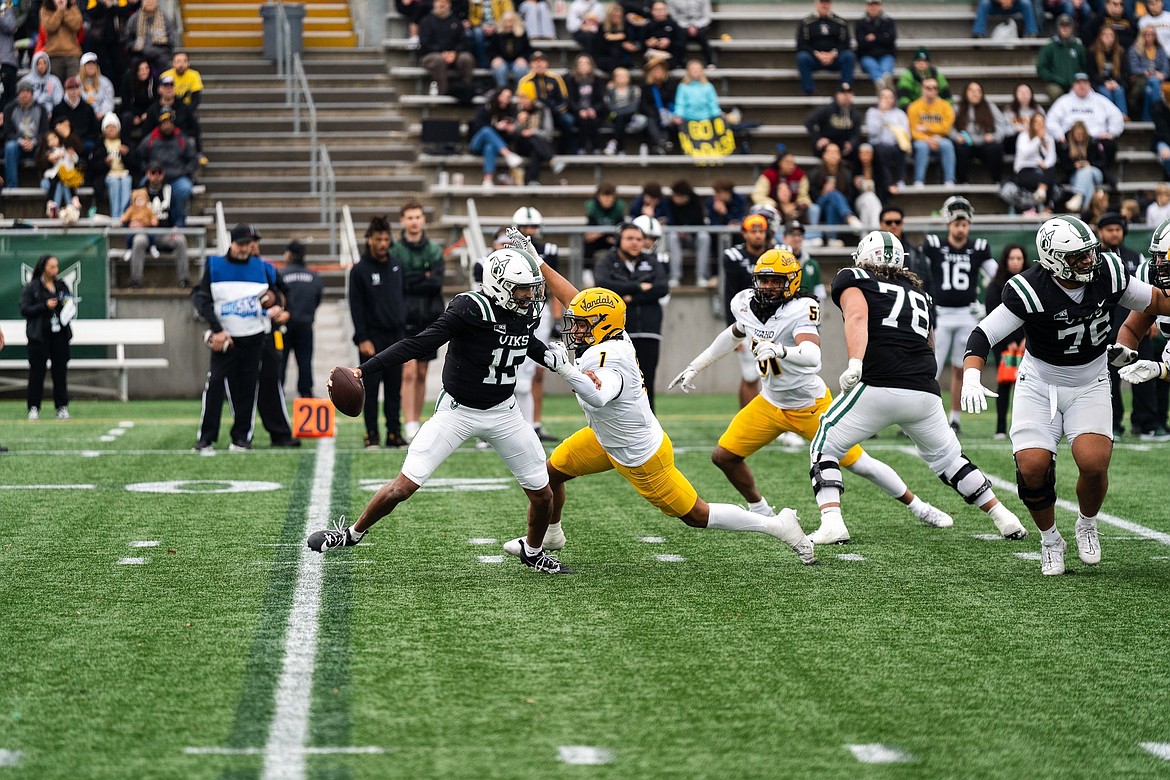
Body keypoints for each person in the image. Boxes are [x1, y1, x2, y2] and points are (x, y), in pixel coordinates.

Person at [504, 270, 815, 565]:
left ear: (600, 325)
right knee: (551, 474)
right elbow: (575, 300)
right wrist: (538, 262)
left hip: (639, 455)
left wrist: (565, 369)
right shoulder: (612, 333)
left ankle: (777, 525)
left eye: (582, 324)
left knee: (696, 515)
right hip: (605, 438)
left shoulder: (610, 356)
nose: (575, 329)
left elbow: (598, 395)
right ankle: (551, 535)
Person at [307, 247, 573, 576]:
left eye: (531, 289)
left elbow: (524, 339)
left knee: (543, 494)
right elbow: (418, 343)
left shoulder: (523, 312)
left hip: (505, 412)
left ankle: (533, 552)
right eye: (522, 289)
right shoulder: (469, 309)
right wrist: (364, 369)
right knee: (401, 488)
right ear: (499, 286)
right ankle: (351, 534)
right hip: (457, 411)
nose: (529, 297)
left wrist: (553, 360)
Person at [672, 247, 956, 537]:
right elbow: (735, 333)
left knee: (862, 465)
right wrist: (697, 365)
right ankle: (761, 510)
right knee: (724, 456)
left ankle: (918, 506)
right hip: (770, 402)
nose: (768, 286)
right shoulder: (745, 303)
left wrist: (781, 349)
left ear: (792, 281)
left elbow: (812, 356)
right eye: (764, 280)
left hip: (810, 404)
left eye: (776, 281)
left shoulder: (801, 308)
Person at [961, 214, 1170, 575]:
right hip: (1039, 382)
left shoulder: (1108, 271)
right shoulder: (1028, 289)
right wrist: (970, 375)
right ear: (1054, 259)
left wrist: (1124, 344)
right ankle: (1050, 539)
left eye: (1090, 253)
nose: (1089, 261)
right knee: (1032, 466)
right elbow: (984, 334)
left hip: (1090, 380)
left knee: (1093, 463)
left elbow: (1153, 301)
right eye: (1078, 257)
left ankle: (1086, 523)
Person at [810, 231, 1027, 545]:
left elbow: (857, 315)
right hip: (924, 389)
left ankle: (832, 521)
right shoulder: (919, 292)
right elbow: (931, 342)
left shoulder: (854, 277)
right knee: (951, 460)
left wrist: (856, 362)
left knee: (823, 446)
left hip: (878, 383)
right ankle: (1003, 516)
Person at [190, 225, 275, 451]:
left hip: (253, 336)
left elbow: (276, 296)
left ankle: (241, 437)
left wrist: (274, 304)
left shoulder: (262, 267)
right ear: (232, 243)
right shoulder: (215, 265)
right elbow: (202, 299)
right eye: (241, 244)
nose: (245, 249)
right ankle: (206, 437)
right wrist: (216, 329)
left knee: (248, 388)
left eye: (249, 245)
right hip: (225, 340)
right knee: (215, 385)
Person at [922, 196, 997, 433]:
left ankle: (954, 419)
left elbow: (998, 277)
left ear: (969, 225)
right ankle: (923, 418)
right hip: (941, 315)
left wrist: (986, 306)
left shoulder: (978, 248)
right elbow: (920, 273)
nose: (960, 228)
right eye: (956, 223)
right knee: (930, 368)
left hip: (966, 315)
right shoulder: (934, 245)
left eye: (964, 224)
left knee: (959, 369)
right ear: (948, 225)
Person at [595, 221, 668, 410]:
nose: (635, 243)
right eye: (630, 238)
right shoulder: (607, 262)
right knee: (615, 381)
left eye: (639, 239)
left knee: (646, 381)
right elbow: (603, 285)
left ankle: (649, 425)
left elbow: (661, 288)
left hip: (648, 331)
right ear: (619, 240)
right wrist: (638, 287)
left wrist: (628, 298)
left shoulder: (652, 262)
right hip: (616, 333)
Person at [349, 215, 407, 449]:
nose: (383, 243)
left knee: (394, 389)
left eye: (386, 239)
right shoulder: (359, 270)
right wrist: (362, 337)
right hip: (372, 339)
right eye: (378, 239)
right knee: (370, 390)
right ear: (369, 240)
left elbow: (402, 298)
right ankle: (371, 434)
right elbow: (356, 306)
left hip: (395, 338)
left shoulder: (396, 265)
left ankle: (394, 433)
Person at [393, 200, 446, 443]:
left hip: (430, 317)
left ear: (423, 219)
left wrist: (416, 278)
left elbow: (435, 282)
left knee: (423, 372)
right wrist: (419, 277)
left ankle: (417, 418)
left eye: (418, 217)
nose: (414, 222)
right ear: (403, 221)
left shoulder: (434, 250)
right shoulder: (395, 250)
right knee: (409, 372)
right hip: (404, 318)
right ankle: (409, 422)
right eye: (410, 217)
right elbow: (399, 282)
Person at [511, 206, 562, 442]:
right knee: (514, 370)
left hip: (541, 311)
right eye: (525, 227)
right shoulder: (509, 251)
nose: (529, 231)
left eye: (533, 227)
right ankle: (514, 423)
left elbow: (554, 286)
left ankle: (535, 423)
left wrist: (558, 319)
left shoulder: (549, 251)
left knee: (538, 371)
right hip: (517, 311)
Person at [1095, 212, 1146, 436]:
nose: (1115, 233)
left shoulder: (1136, 257)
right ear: (1100, 232)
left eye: (1118, 229)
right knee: (1107, 380)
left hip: (1136, 325)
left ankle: (1145, 423)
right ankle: (1112, 424)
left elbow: (1147, 290)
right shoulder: (1091, 258)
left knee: (1143, 374)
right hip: (1105, 326)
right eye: (1110, 229)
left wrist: (1149, 319)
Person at [1117, 223, 1170, 439]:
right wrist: (1123, 351)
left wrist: (1160, 369)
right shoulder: (1152, 278)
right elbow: (1131, 327)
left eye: (1164, 258)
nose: (1158, 264)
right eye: (1156, 257)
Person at [721, 214, 771, 407]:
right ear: (744, 234)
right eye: (753, 231)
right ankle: (746, 421)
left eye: (761, 231)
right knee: (750, 375)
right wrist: (733, 332)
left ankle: (781, 424)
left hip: (775, 322)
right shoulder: (734, 257)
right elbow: (730, 295)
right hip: (748, 322)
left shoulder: (775, 255)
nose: (758, 235)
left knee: (776, 376)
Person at [20, 254, 73, 421]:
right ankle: (34, 407)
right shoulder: (32, 287)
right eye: (52, 267)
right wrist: (44, 306)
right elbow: (25, 309)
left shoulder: (61, 285)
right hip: (39, 335)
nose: (55, 270)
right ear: (44, 267)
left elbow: (69, 303)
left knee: (60, 371)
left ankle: (61, 407)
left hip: (59, 335)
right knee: (37, 372)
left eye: (57, 266)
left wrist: (66, 307)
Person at [984, 244, 1030, 438]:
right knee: (1004, 383)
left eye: (1019, 258)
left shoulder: (1030, 283)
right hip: (1003, 343)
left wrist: (1026, 339)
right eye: (1012, 258)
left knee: (1028, 384)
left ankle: (1027, 427)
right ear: (1005, 260)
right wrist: (1010, 340)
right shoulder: (996, 285)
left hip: (1028, 343)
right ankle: (1001, 427)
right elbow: (992, 313)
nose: (1016, 262)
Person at [124, 162, 191, 288]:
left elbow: (181, 215)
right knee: (138, 241)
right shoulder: (138, 193)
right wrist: (132, 224)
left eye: (159, 173)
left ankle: (184, 279)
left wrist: (176, 228)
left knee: (181, 240)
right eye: (153, 173)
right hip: (143, 232)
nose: (156, 176)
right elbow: (126, 215)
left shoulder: (170, 191)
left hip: (165, 233)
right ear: (148, 174)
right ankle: (136, 280)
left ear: (163, 174)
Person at [134, 108, 197, 227]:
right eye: (164, 123)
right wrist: (147, 170)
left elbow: (193, 159)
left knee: (185, 188)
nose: (167, 126)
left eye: (169, 122)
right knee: (141, 190)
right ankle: (144, 219)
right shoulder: (150, 139)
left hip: (176, 178)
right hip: (154, 177)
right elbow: (138, 157)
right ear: (159, 124)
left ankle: (177, 221)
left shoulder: (182, 139)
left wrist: (185, 172)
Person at [279, 240, 323, 399]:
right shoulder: (313, 276)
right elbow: (317, 298)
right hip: (305, 324)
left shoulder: (281, 274)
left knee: (280, 360)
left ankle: (277, 392)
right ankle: (306, 392)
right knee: (305, 361)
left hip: (283, 326)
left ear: (289, 254)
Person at [951, 80, 1008, 185]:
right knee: (959, 149)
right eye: (971, 90)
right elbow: (949, 126)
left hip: (984, 143)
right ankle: (963, 182)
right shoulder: (958, 107)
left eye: (978, 91)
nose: (975, 93)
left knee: (996, 148)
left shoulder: (989, 106)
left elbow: (1002, 125)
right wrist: (956, 136)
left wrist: (994, 136)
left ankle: (996, 181)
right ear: (965, 93)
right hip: (966, 143)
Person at [795, 0, 855, 96]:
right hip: (814, 59)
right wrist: (817, 54)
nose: (824, 5)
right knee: (802, 57)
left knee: (849, 56)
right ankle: (809, 90)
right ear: (816, 3)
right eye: (822, 2)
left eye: (827, 2)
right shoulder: (806, 23)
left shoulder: (840, 22)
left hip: (835, 59)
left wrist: (833, 54)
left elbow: (846, 43)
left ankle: (845, 89)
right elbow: (801, 44)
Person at [418, 0, 475, 98]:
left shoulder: (456, 22)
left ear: (450, 5)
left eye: (445, 2)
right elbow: (425, 44)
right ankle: (443, 93)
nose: (442, 4)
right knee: (438, 59)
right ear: (434, 3)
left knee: (466, 58)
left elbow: (463, 42)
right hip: (430, 56)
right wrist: (442, 53)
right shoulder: (426, 21)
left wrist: (455, 53)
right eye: (439, 2)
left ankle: (466, 90)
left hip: (453, 55)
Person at [907, 76, 956, 187]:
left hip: (941, 139)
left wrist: (927, 127)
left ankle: (949, 180)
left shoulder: (945, 106)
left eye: (935, 88)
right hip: (921, 140)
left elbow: (946, 128)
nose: (932, 91)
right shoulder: (914, 107)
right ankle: (918, 180)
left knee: (947, 145)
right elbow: (913, 130)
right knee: (922, 147)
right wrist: (927, 139)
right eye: (928, 88)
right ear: (922, 89)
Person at [664, 178, 712, 286]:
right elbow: (669, 221)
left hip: (694, 238)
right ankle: (675, 276)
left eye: (678, 196)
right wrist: (678, 230)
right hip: (677, 237)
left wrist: (689, 230)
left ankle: (701, 276)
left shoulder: (695, 202)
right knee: (672, 237)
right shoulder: (669, 202)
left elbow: (700, 222)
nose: (675, 198)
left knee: (704, 237)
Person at [751, 146, 812, 225]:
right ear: (779, 162)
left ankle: (811, 232)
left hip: (794, 207)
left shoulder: (800, 175)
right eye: (787, 162)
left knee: (813, 209)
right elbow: (757, 195)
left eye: (792, 163)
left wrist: (798, 204)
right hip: (773, 207)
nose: (791, 166)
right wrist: (775, 205)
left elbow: (803, 195)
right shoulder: (768, 175)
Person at [4, 79, 47, 187]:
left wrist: (34, 142)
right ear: (17, 94)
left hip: (37, 144)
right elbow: (8, 132)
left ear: (32, 93)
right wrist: (21, 141)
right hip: (18, 144)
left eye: (27, 91)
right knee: (9, 147)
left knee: (46, 147)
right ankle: (12, 187)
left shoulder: (41, 109)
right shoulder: (9, 109)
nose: (24, 94)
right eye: (21, 91)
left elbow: (44, 131)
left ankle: (46, 185)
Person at [864, 86, 909, 189]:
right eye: (884, 97)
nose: (887, 100)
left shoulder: (900, 114)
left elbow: (905, 132)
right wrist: (882, 115)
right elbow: (872, 131)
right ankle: (886, 182)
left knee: (901, 149)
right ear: (879, 99)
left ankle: (900, 180)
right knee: (882, 150)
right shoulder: (872, 112)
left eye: (890, 97)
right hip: (878, 144)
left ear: (894, 99)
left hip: (895, 144)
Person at [1038, 14, 1089, 103]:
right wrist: (1053, 78)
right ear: (1058, 27)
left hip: (1075, 82)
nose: (1065, 29)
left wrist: (1079, 80)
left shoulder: (1078, 46)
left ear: (1072, 28)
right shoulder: (1050, 46)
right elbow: (1041, 68)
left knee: (1083, 91)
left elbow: (1085, 66)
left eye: (1068, 26)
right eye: (1062, 26)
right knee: (1056, 93)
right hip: (1054, 83)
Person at [805, 83, 862, 161]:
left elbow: (856, 134)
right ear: (837, 95)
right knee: (824, 149)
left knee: (857, 149)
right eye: (843, 93)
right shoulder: (826, 109)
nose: (846, 96)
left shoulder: (855, 114)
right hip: (827, 144)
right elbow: (809, 122)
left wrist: (851, 143)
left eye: (848, 93)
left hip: (843, 145)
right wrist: (818, 138)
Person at [878, 205, 931, 287]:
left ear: (902, 223)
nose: (893, 225)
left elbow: (927, 283)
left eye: (897, 222)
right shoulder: (871, 250)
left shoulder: (915, 253)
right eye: (889, 222)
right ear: (881, 224)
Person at [1126, 25, 1168, 121]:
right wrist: (1148, 72)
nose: (1150, 37)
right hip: (1141, 80)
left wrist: (1163, 75)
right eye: (1147, 34)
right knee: (1153, 82)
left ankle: (1147, 119)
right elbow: (1133, 68)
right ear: (1142, 35)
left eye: (1152, 34)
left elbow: (1166, 68)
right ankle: (1158, 113)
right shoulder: (1134, 49)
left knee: (1149, 91)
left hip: (1157, 80)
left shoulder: (1160, 49)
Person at [566, 53, 606, 154]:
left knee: (593, 120)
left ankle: (597, 147)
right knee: (582, 121)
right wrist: (579, 110)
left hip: (593, 110)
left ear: (591, 65)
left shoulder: (597, 80)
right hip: (577, 111)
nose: (583, 65)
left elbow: (601, 99)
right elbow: (569, 100)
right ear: (576, 65)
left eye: (586, 63)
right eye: (581, 63)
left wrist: (594, 109)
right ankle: (581, 147)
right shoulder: (570, 80)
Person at [125, 0, 176, 76]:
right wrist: (134, 46)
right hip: (140, 53)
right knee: (134, 63)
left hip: (161, 53)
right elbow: (128, 38)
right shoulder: (134, 19)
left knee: (166, 63)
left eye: (152, 0)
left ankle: (163, 86)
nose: (149, 2)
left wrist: (165, 48)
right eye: (147, 0)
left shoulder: (165, 18)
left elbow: (171, 37)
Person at [603, 66, 646, 156]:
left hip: (630, 116)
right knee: (619, 119)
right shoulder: (610, 91)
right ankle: (621, 150)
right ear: (614, 78)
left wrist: (620, 111)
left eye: (624, 76)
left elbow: (634, 106)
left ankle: (615, 143)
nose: (622, 78)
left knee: (621, 118)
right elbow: (609, 106)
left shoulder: (634, 89)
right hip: (614, 116)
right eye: (619, 76)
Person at [855, 0, 897, 92]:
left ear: (881, 6)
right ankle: (886, 90)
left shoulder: (888, 21)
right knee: (873, 67)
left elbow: (891, 40)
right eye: (870, 5)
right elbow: (861, 43)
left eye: (876, 4)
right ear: (866, 6)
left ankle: (882, 88)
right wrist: (882, 37)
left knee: (886, 71)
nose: (873, 7)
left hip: (885, 55)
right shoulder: (860, 23)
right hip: (867, 56)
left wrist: (874, 37)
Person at [1089, 27, 1129, 118]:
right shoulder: (1093, 51)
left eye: (1111, 35)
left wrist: (1115, 82)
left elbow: (1124, 73)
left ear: (1115, 38)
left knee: (1119, 91)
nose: (1108, 37)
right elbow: (1091, 73)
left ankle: (1123, 116)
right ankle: (1109, 117)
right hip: (1099, 83)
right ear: (1100, 37)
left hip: (1115, 82)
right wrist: (1104, 82)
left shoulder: (1120, 52)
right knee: (1105, 92)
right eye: (1105, 35)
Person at [895, 46, 950, 110]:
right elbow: (903, 96)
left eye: (924, 61)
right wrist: (909, 108)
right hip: (914, 107)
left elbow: (946, 92)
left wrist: (947, 107)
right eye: (918, 61)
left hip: (934, 107)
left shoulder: (935, 74)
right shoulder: (908, 75)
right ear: (914, 63)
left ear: (928, 63)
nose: (921, 63)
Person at [487, 11, 532, 89]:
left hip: (517, 60)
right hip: (502, 60)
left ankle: (520, 91)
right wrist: (495, 57)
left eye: (511, 21)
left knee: (521, 69)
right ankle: (502, 91)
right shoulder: (497, 33)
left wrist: (523, 58)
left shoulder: (522, 33)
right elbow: (492, 49)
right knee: (499, 68)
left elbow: (527, 49)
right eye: (506, 21)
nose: (509, 24)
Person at [41, 0, 83, 82]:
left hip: (72, 54)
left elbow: (77, 25)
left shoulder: (73, 8)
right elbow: (50, 27)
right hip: (54, 54)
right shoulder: (45, 9)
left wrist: (65, 11)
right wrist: (59, 11)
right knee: (56, 85)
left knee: (74, 85)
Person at [584, 181, 627, 260]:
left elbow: (620, 226)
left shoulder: (618, 207)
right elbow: (591, 232)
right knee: (587, 243)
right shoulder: (592, 207)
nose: (607, 199)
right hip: (598, 240)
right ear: (598, 196)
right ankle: (587, 270)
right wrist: (604, 235)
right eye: (604, 196)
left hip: (612, 237)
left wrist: (601, 233)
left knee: (622, 243)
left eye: (610, 196)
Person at [669, 0, 713, 67]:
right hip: (682, 25)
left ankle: (710, 63)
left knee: (703, 38)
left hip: (700, 25)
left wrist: (695, 25)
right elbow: (674, 17)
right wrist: (687, 26)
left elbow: (707, 17)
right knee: (679, 40)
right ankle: (680, 63)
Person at [78, 52, 115, 125]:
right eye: (88, 64)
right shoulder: (77, 82)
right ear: (82, 67)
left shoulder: (105, 82)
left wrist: (102, 112)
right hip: (82, 116)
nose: (91, 66)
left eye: (93, 64)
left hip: (101, 116)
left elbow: (109, 100)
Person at [972, 0, 1038, 39]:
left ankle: (1031, 33)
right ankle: (978, 33)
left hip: (1013, 5)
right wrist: (1001, 1)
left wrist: (1010, 1)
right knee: (984, 3)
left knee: (1026, 3)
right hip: (994, 6)